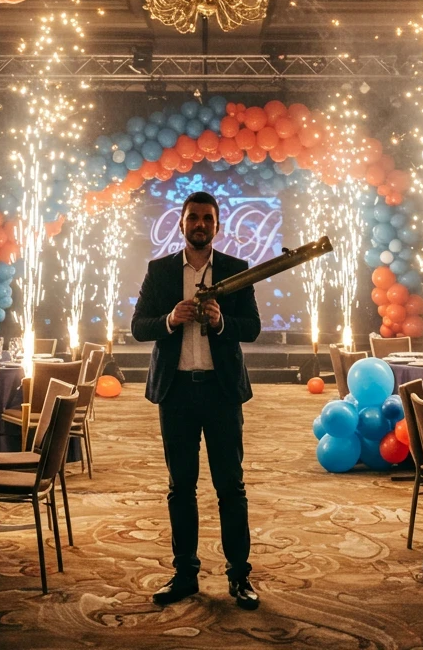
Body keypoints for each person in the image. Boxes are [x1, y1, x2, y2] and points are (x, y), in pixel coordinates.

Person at [131, 191, 262, 609]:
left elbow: (253, 328)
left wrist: (223, 321)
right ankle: (184, 573)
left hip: (222, 393)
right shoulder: (160, 271)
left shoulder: (237, 271)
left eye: (208, 218)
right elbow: (138, 327)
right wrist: (170, 319)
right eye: (193, 218)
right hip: (177, 393)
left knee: (231, 486)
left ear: (218, 226)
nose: (200, 224)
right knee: (180, 487)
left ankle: (239, 576)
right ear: (181, 224)